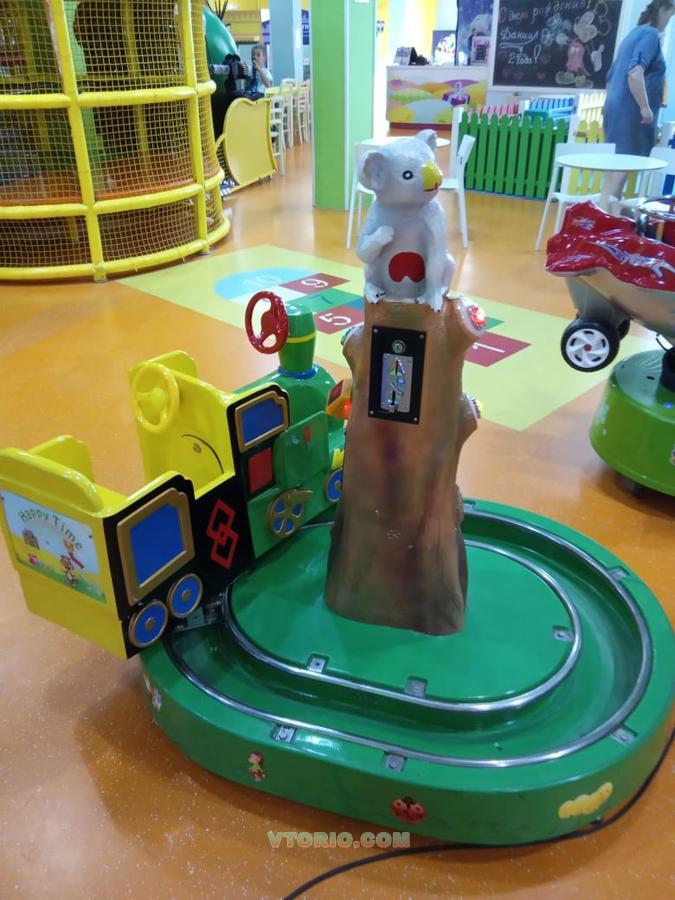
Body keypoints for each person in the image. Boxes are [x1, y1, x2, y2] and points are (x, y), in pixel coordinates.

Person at [602, 0, 675, 198]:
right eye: (670, 16)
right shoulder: (650, 34)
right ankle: (610, 210)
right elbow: (635, 72)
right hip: (631, 110)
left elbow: (610, 77)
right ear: (663, 10)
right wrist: (645, 107)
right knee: (625, 164)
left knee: (615, 164)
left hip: (615, 107)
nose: (668, 21)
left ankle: (610, 206)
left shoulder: (632, 35)